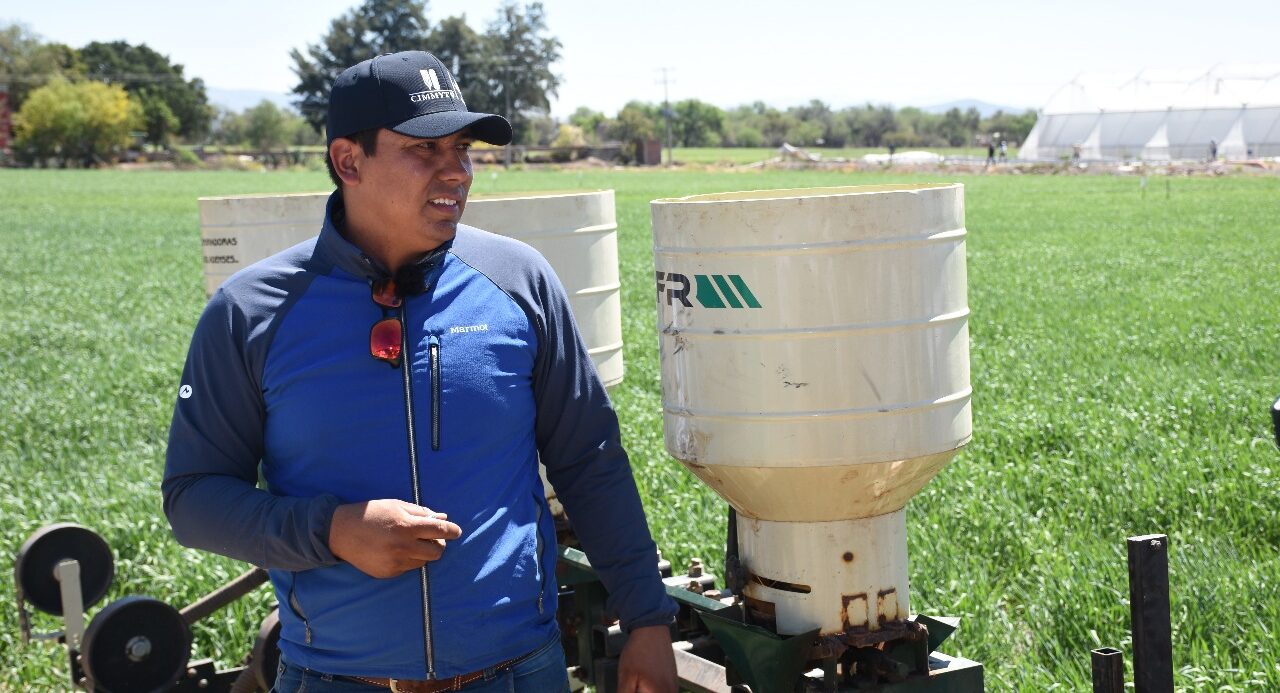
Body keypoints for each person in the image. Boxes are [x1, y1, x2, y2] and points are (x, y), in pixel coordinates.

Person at [163, 50, 678, 693]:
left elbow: (590, 459)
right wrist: (333, 531)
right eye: (424, 151)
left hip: (518, 673)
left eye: (462, 149)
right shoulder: (250, 313)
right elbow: (193, 499)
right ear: (349, 161)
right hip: (334, 679)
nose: (456, 173)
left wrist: (648, 621)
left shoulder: (520, 283)